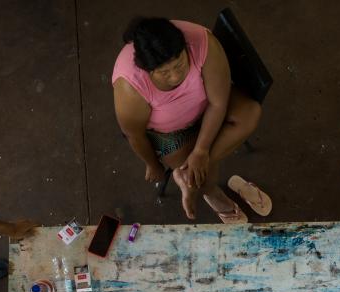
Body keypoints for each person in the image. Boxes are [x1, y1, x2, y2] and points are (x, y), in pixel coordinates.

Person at [113, 17, 271, 223]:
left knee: (250, 113)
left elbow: (218, 104)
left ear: (185, 48)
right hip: (169, 134)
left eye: (179, 65)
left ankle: (188, 178)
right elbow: (134, 135)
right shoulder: (130, 86)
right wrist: (152, 164)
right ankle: (209, 190)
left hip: (208, 107)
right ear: (148, 70)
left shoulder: (202, 43)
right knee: (199, 173)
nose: (175, 77)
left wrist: (201, 151)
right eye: (164, 73)